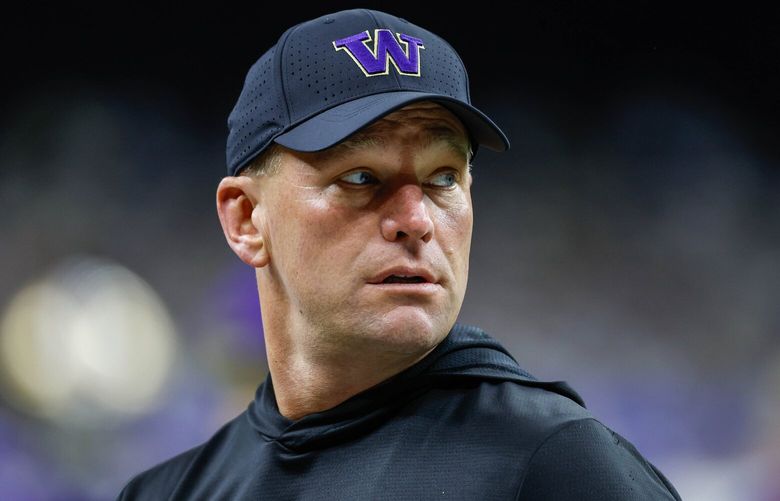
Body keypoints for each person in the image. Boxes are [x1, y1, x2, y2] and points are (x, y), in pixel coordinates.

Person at [117, 8, 681, 500]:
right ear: (245, 219)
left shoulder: (554, 465)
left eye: (442, 178)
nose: (416, 220)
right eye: (361, 177)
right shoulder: (168, 492)